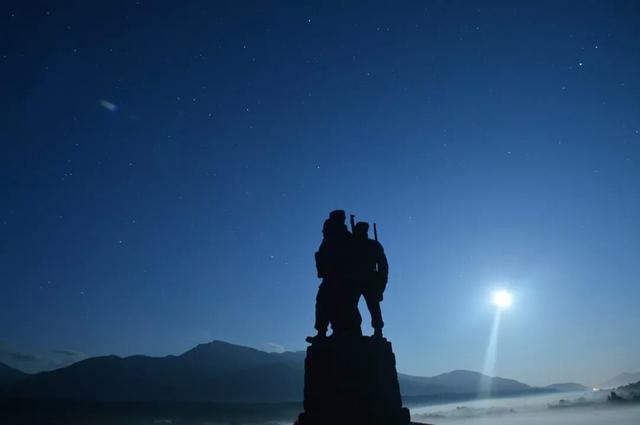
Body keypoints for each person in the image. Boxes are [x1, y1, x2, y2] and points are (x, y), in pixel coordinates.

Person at [307, 210, 361, 342]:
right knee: (322, 302)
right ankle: (321, 333)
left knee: (344, 305)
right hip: (329, 277)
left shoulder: (346, 238)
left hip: (343, 277)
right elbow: (323, 256)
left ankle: (345, 331)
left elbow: (351, 258)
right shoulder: (328, 239)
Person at [353, 221, 388, 338]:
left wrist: (381, 284)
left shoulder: (374, 245)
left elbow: (383, 266)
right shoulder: (353, 245)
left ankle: (378, 330)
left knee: (374, 307)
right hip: (355, 279)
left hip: (370, 280)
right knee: (350, 305)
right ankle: (354, 329)